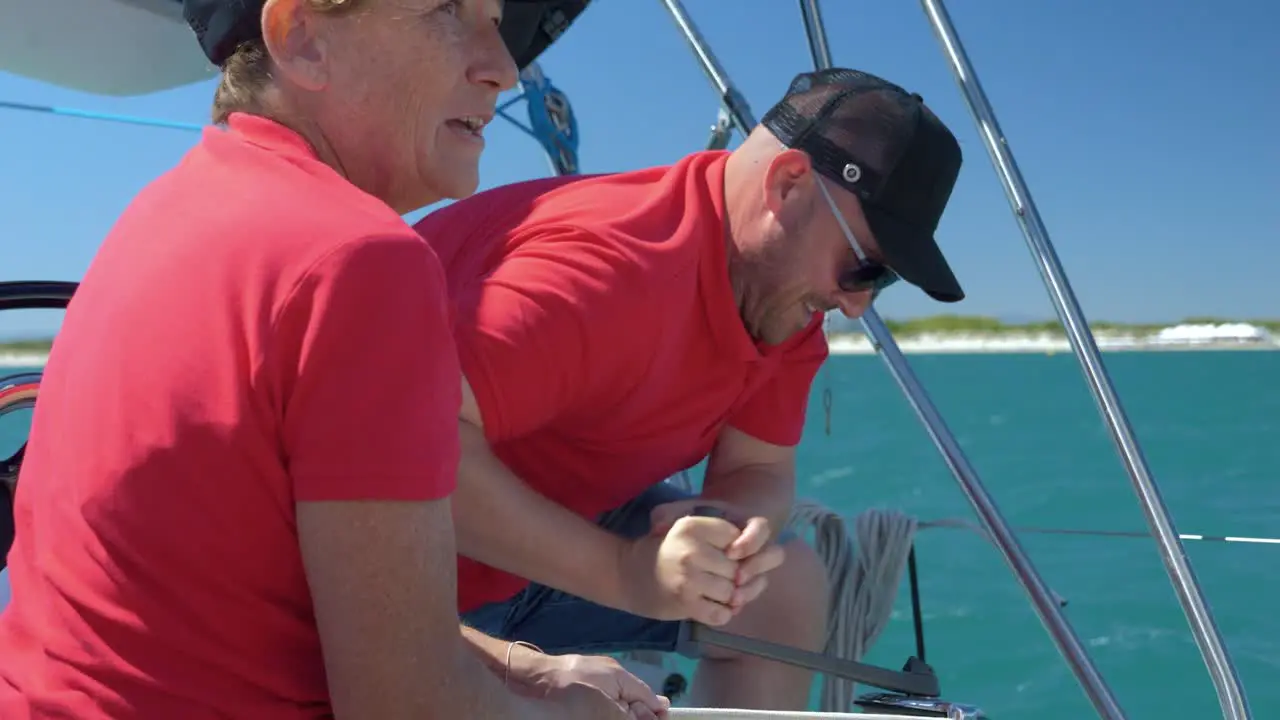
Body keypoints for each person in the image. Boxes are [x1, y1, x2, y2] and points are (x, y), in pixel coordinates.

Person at [0, 1, 664, 719]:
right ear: (303, 38)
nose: (502, 66)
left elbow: (251, 592)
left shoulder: (169, 210)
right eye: (448, 10)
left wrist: (518, 666)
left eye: (494, 17)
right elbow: (407, 708)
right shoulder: (360, 262)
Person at [412, 66, 968, 710]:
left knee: (781, 586)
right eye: (863, 267)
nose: (856, 305)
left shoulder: (781, 307)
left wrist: (724, 533)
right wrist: (624, 573)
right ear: (788, 184)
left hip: (531, 561)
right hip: (374, 571)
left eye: (882, 282)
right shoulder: (605, 272)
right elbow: (401, 452)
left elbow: (759, 466)